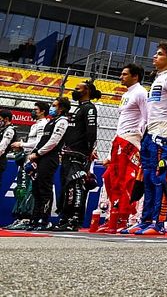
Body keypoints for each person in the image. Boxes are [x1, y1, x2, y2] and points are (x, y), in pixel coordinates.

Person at [134, 43, 167, 235]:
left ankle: (159, 222)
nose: (155, 57)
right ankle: (145, 220)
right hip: (149, 134)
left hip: (163, 134)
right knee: (146, 178)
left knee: (159, 179)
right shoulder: (156, 80)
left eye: (160, 54)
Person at [99, 64, 148, 233]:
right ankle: (113, 215)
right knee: (110, 178)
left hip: (131, 140)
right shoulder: (126, 94)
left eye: (124, 74)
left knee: (126, 181)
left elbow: (147, 118)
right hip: (119, 140)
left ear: (135, 76)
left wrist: (138, 138)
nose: (121, 77)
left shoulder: (141, 93)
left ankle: (123, 218)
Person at [57, 80, 101, 230]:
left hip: (79, 154)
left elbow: (91, 132)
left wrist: (88, 153)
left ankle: (74, 220)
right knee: (66, 187)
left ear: (86, 90)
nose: (74, 91)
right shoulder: (78, 109)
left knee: (75, 186)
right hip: (69, 153)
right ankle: (65, 218)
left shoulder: (89, 108)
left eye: (77, 89)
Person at [28, 97, 71, 230]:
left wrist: (39, 153)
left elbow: (54, 141)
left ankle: (44, 219)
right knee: (36, 188)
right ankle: (35, 219)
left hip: (50, 157)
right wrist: (35, 154)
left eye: (54, 105)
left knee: (45, 188)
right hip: (40, 157)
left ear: (61, 108)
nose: (51, 108)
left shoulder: (63, 121)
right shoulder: (51, 122)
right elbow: (43, 140)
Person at [5, 102, 50, 230]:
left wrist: (22, 145)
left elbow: (39, 142)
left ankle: (27, 218)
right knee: (21, 190)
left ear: (42, 111)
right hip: (26, 159)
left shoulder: (43, 124)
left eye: (35, 109)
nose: (33, 111)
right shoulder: (35, 124)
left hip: (34, 160)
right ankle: (20, 217)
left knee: (29, 189)